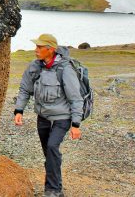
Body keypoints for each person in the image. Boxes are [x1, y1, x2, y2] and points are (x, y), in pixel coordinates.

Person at [14, 34, 82, 197]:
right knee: (49, 153)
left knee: (52, 147)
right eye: (36, 46)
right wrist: (19, 110)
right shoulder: (34, 67)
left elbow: (75, 98)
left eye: (39, 47)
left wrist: (76, 124)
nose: (36, 50)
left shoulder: (65, 69)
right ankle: (55, 186)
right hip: (42, 117)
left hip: (62, 118)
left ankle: (53, 190)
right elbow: (25, 89)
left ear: (50, 50)